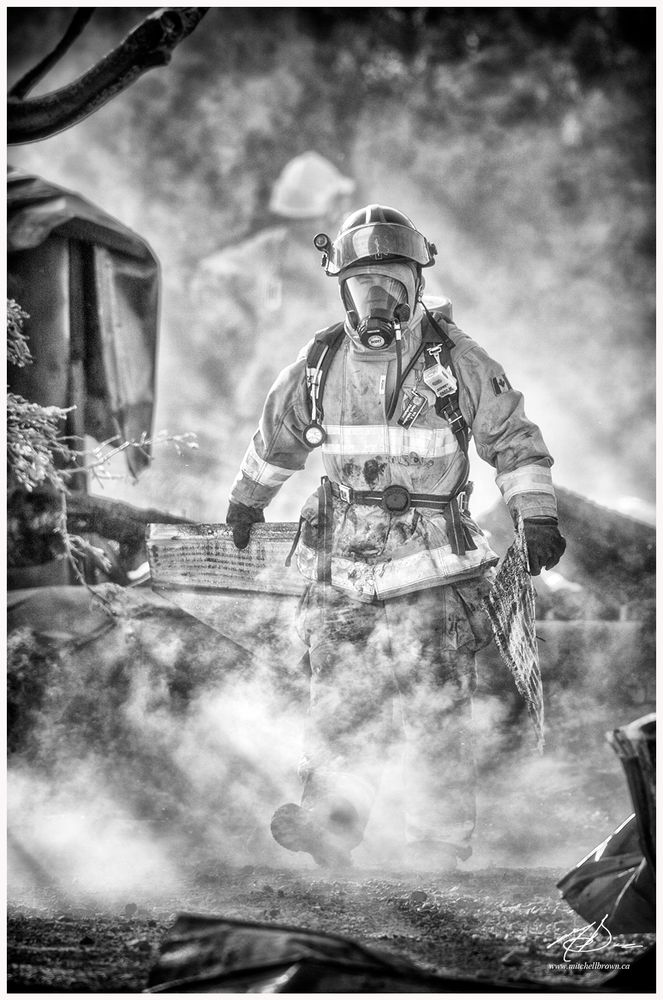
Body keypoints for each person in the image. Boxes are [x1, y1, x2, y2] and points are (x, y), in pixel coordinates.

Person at [226, 204, 566, 871]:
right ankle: (332, 823)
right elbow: (275, 438)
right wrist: (246, 501)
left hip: (432, 568)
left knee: (432, 709)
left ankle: (437, 844)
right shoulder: (320, 362)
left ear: (415, 285)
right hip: (345, 566)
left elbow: (513, 440)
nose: (376, 300)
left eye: (391, 284)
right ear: (342, 288)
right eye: (363, 285)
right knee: (341, 703)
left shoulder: (456, 359)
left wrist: (536, 514)